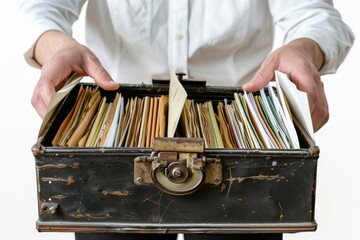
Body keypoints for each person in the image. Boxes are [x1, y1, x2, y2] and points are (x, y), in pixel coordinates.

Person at [19, 0, 354, 240]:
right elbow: (41, 7)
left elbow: (314, 14)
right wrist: (57, 45)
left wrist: (305, 49)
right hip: (112, 148)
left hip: (241, 148)